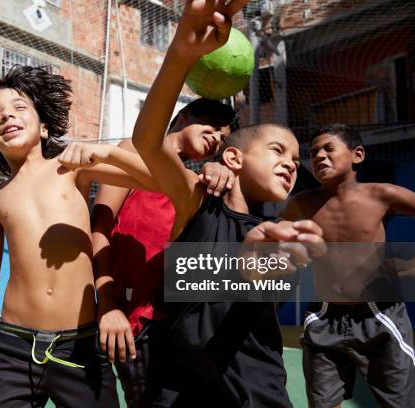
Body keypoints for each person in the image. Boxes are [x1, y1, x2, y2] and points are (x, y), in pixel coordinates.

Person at [130, 1, 324, 406]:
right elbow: (147, 142)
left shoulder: (278, 234)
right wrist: (180, 55)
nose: (290, 164)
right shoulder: (198, 202)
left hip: (257, 395)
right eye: (277, 151)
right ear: (233, 158)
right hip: (179, 393)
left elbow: (262, 286)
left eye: (293, 159)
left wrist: (256, 266)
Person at [0, 65, 159, 408]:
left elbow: (159, 184)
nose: (6, 116)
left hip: (81, 348)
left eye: (18, 107)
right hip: (13, 350)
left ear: (43, 127)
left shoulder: (73, 168)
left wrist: (109, 153)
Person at [91, 98, 238, 407]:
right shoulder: (133, 151)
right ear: (183, 116)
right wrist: (107, 304)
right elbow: (99, 229)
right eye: (211, 127)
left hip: (176, 320)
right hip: (134, 319)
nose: (217, 139)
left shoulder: (196, 182)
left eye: (223, 139)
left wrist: (216, 173)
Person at [280, 124, 415, 408]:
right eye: (314, 152)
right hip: (325, 315)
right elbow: (272, 233)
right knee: (322, 403)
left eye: (328, 149)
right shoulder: (302, 204)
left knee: (400, 403)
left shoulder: (381, 194)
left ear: (358, 155)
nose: (319, 156)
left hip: (380, 315)